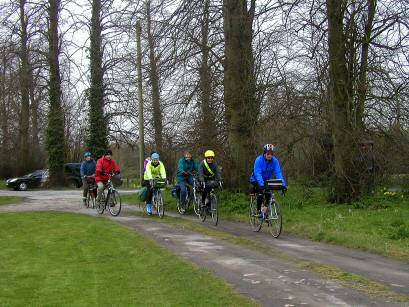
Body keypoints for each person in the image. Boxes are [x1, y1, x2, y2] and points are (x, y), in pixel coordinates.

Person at [250, 144, 287, 214]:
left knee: (268, 194)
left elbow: (278, 173)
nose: (269, 155)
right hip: (255, 179)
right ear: (264, 153)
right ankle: (258, 211)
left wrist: (283, 185)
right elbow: (258, 173)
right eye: (268, 153)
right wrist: (261, 185)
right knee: (260, 192)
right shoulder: (259, 160)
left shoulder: (275, 161)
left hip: (266, 180)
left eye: (271, 153)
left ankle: (264, 210)